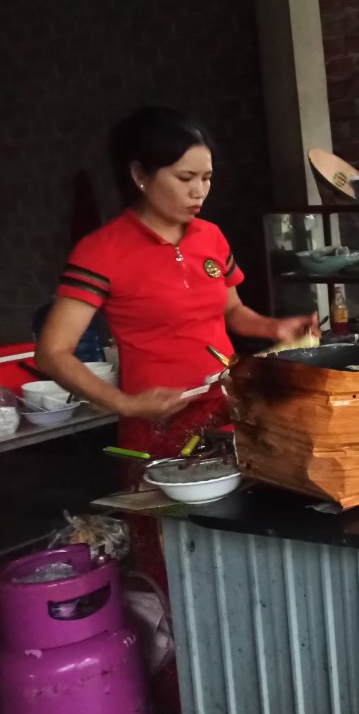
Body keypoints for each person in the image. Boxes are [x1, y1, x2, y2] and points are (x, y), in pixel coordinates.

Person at [36, 107, 318, 458]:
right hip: (157, 421)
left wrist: (275, 327)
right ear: (140, 175)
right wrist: (126, 403)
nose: (199, 192)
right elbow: (52, 353)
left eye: (207, 178)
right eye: (185, 179)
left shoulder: (211, 237)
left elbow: (232, 310)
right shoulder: (101, 251)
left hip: (229, 406)